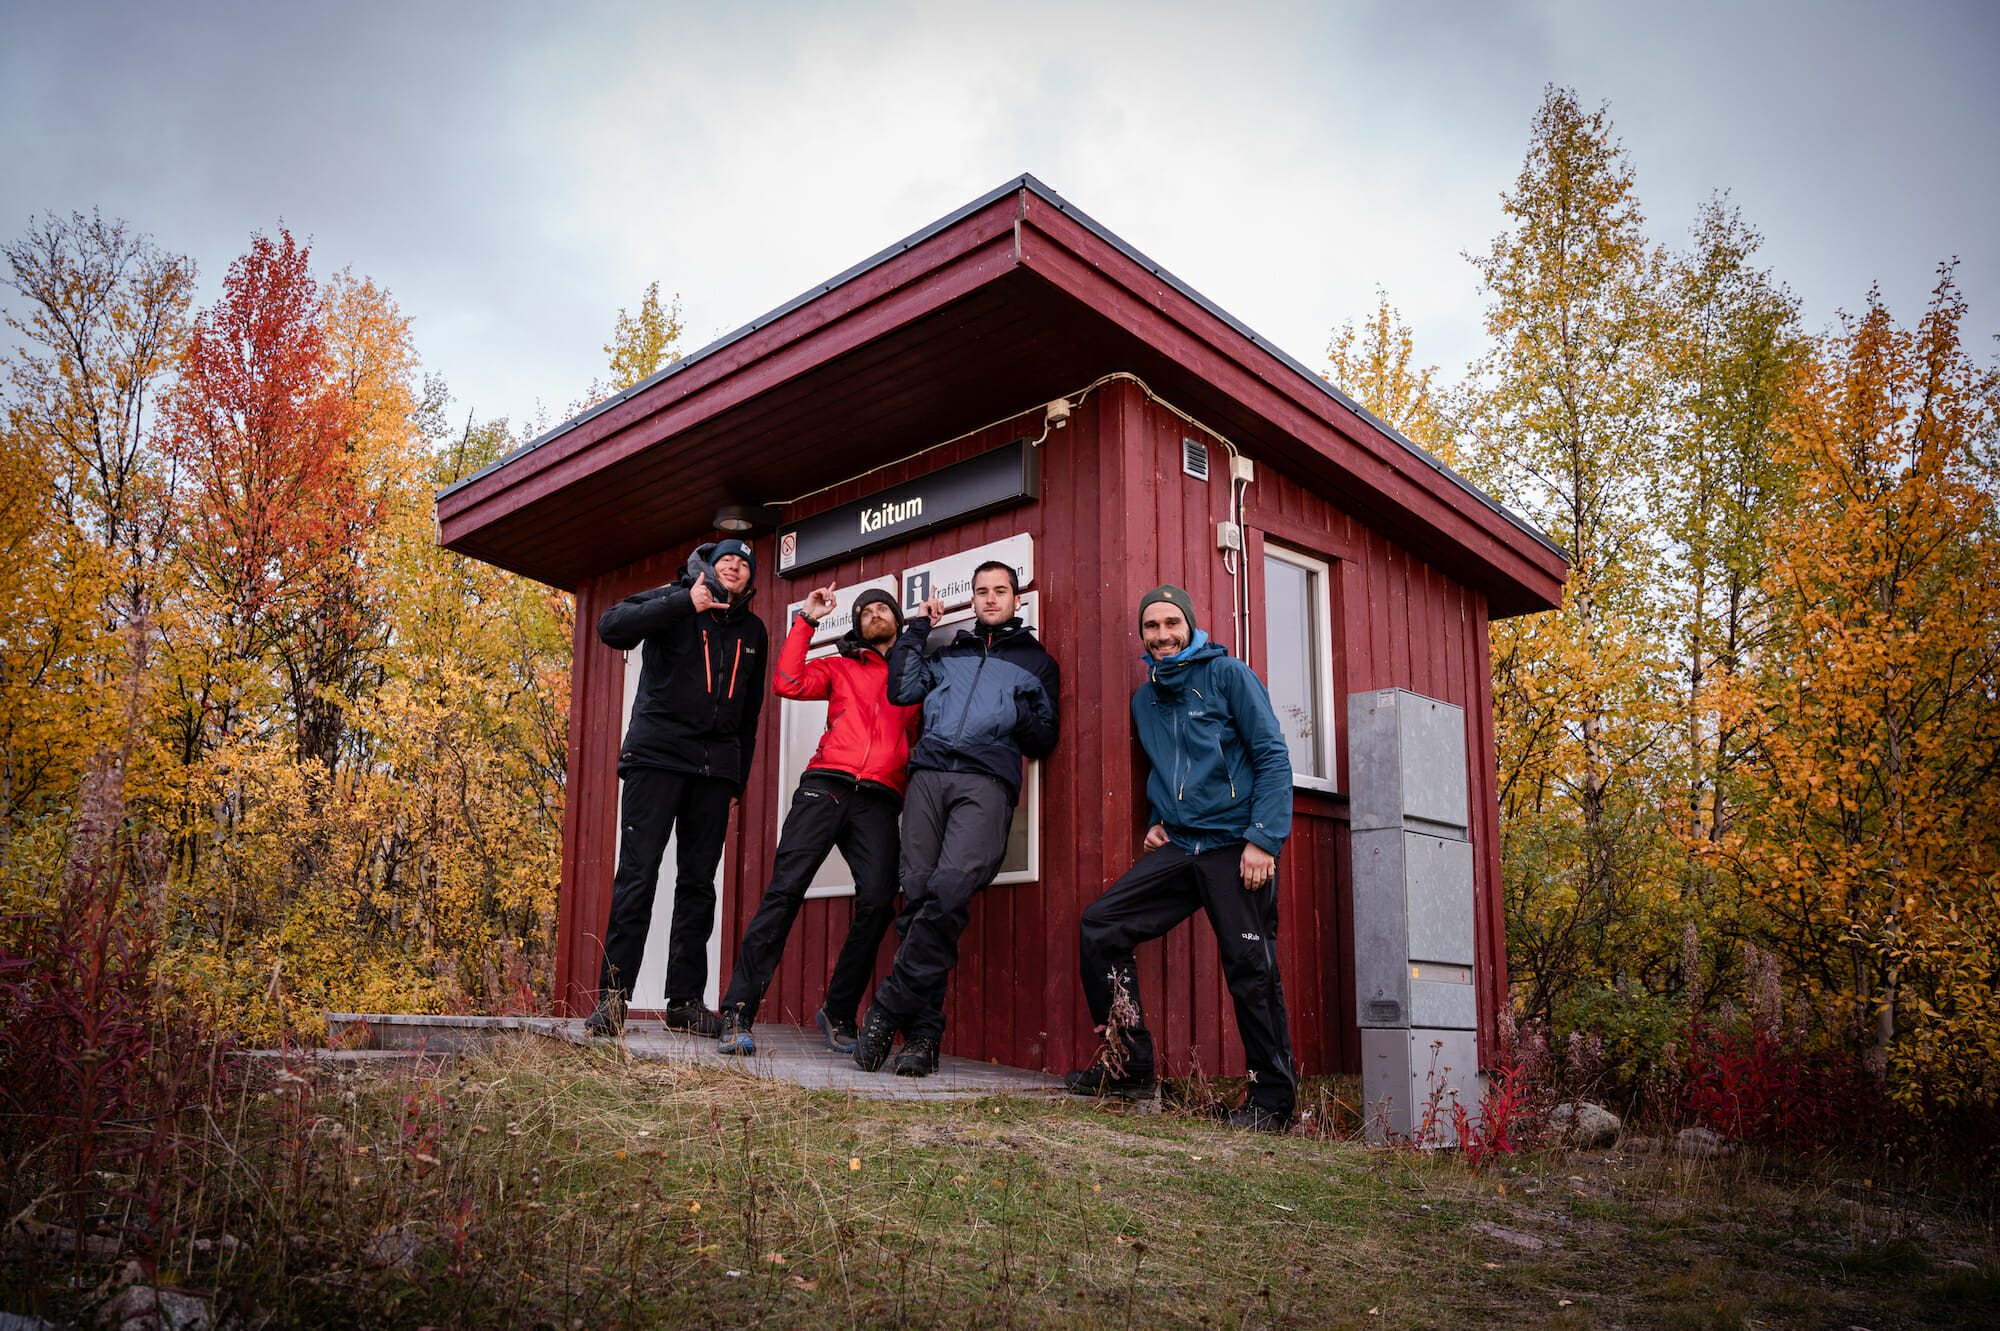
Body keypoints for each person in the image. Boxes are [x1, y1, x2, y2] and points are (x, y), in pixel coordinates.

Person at [1064, 585, 1298, 1131]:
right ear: (1141, 635)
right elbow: (1167, 766)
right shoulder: (1144, 697)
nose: (1163, 635)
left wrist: (1264, 838)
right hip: (1181, 845)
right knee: (1101, 926)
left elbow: (1271, 754)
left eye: (1172, 623)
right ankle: (1130, 1068)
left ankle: (1273, 1103)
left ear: (1191, 625)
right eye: (1151, 626)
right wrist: (1157, 819)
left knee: (1250, 969)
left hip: (1235, 847)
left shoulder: (1228, 675)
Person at [852, 560, 1060, 1076]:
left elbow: (1045, 739)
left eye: (1001, 591)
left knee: (949, 889)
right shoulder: (948, 654)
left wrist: (1016, 713)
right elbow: (901, 689)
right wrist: (917, 628)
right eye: (982, 591)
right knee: (919, 896)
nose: (991, 599)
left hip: (986, 781)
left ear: (1017, 598)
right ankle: (922, 1039)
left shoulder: (1038, 663)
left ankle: (886, 1007)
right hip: (928, 776)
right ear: (971, 599)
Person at [715, 584, 921, 1056]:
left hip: (880, 798)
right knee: (784, 890)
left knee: (877, 899)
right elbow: (786, 681)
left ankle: (839, 1010)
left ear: (896, 621)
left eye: (882, 609)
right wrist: (807, 620)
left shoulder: (912, 679)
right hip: (825, 786)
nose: (874, 614)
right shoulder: (841, 666)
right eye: (865, 611)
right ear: (856, 624)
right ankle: (738, 1011)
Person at [585, 538, 769, 1038]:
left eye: (744, 563)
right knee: (638, 875)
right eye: (726, 558)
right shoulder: (672, 597)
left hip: (714, 772)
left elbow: (749, 715)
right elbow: (610, 628)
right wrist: (683, 603)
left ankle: (685, 1002)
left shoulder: (753, 630)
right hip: (656, 759)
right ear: (708, 568)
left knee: (698, 885)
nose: (735, 565)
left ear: (750, 579)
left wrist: (738, 776)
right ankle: (613, 1000)